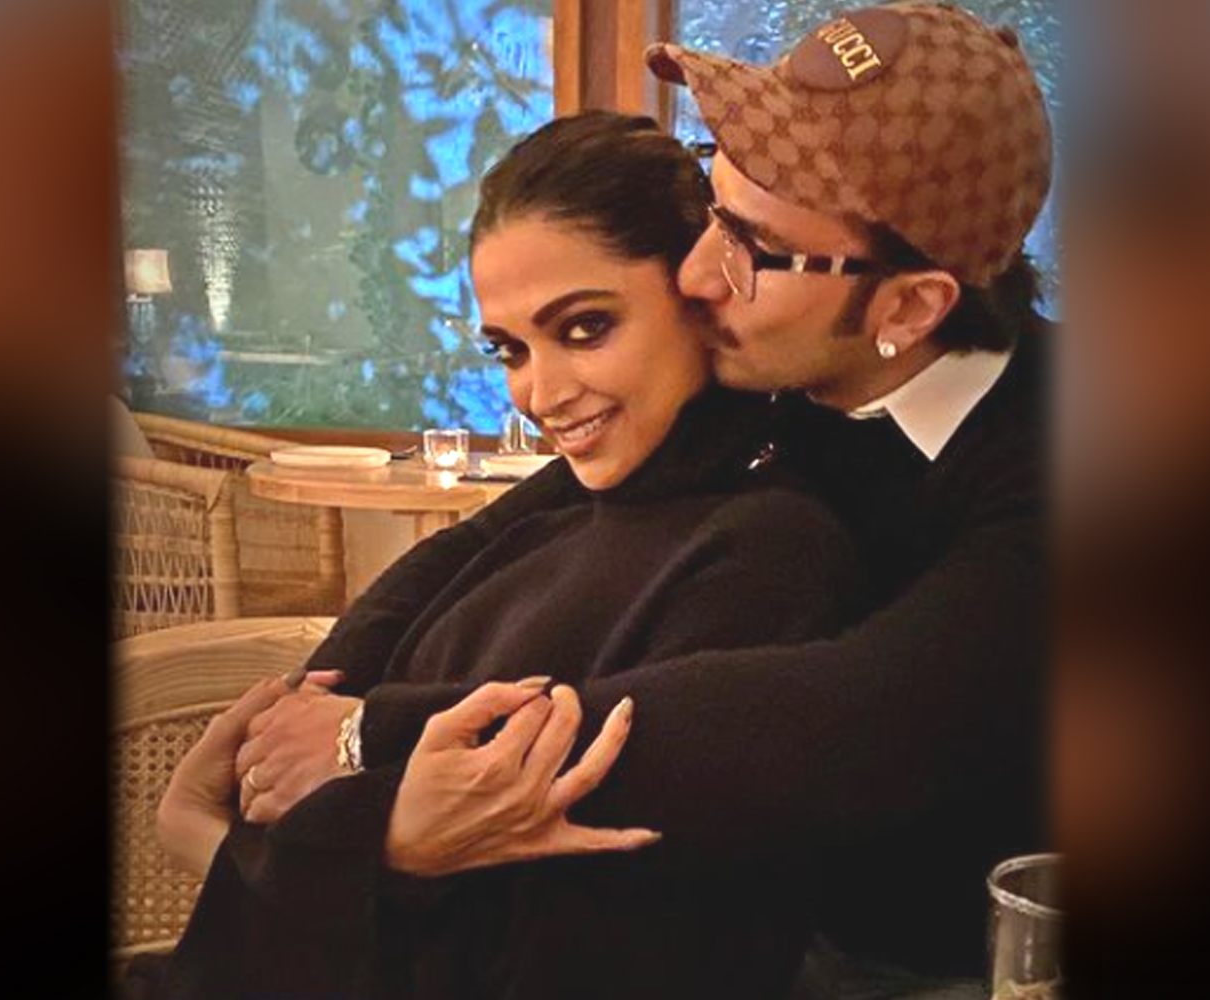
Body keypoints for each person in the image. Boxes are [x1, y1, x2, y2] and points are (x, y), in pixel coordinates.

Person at [234, 5, 1055, 997]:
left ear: (910, 306)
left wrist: (373, 739)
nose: (698, 275)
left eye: (752, 247)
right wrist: (315, 700)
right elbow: (490, 532)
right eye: (716, 207)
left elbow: (842, 720)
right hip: (778, 914)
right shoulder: (789, 365)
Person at [139, 111, 859, 1000]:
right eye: (510, 350)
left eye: (585, 328)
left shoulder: (766, 554)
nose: (540, 393)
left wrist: (222, 843)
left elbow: (598, 961)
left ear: (700, 292)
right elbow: (394, 620)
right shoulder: (573, 504)